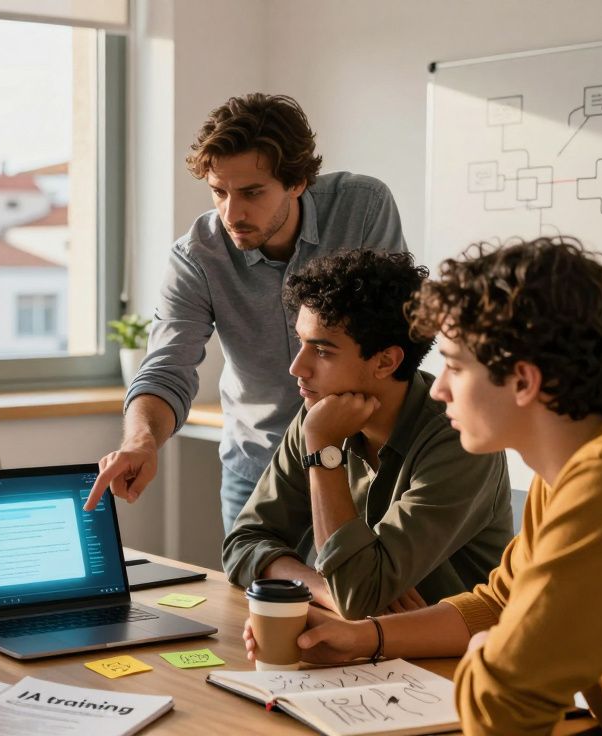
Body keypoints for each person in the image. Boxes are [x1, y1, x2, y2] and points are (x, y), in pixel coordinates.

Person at [256, 237, 602, 733]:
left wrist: (486, 651)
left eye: (455, 366)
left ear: (523, 381)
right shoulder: (583, 466)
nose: (438, 388)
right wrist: (365, 636)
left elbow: (505, 705)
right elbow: (499, 603)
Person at [86, 93, 408, 532]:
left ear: (297, 183)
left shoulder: (363, 206)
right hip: (258, 464)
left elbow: (391, 333)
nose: (231, 213)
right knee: (251, 598)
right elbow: (167, 366)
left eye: (252, 192)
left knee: (361, 599)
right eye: (219, 192)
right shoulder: (198, 255)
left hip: (365, 460)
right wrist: (141, 441)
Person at [223, 250, 510, 619]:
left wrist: (323, 450)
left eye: (322, 351)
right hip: (362, 645)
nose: (298, 367)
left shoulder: (459, 440)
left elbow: (358, 594)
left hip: (451, 659)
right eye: (300, 342)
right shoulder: (320, 413)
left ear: (386, 361)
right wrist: (325, 589)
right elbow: (243, 543)